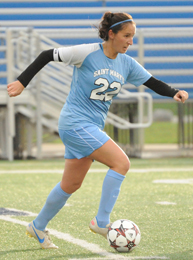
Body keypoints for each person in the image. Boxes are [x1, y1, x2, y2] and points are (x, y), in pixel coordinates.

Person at [7, 11, 189, 249]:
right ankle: (102, 222)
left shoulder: (126, 63)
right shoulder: (87, 52)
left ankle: (38, 226)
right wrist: (22, 81)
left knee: (71, 184)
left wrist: (173, 91)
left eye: (133, 37)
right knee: (122, 163)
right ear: (111, 34)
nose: (130, 41)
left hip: (89, 127)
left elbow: (151, 82)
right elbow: (46, 55)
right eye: (126, 36)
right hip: (75, 123)